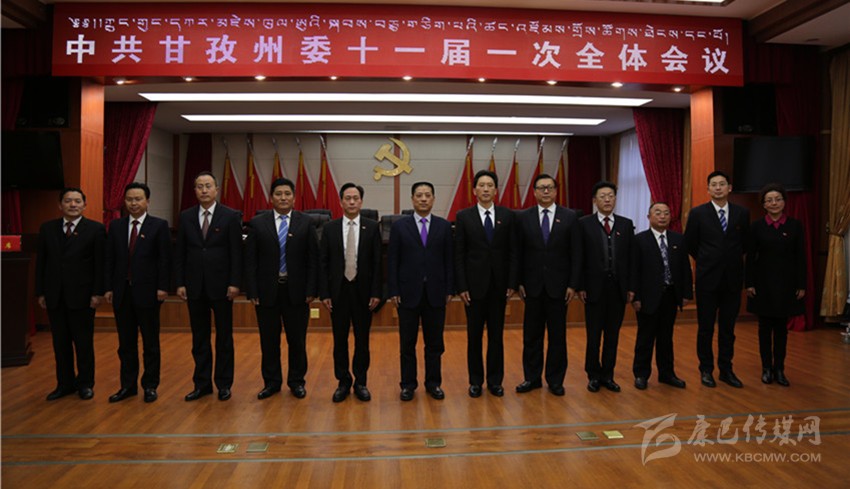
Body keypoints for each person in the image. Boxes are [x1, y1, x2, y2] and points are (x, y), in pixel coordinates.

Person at [244, 177, 318, 400]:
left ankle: (297, 382)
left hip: (297, 292)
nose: (283, 198)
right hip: (266, 292)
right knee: (269, 341)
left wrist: (311, 290)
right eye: (278, 194)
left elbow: (313, 259)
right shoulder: (257, 223)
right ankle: (271, 382)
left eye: (287, 194)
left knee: (297, 341)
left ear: (294, 198)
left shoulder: (306, 222)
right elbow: (250, 261)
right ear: (271, 198)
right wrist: (252, 291)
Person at [175, 171, 243, 401]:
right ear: (194, 190)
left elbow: (236, 252)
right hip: (194, 286)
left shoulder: (230, 216)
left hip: (222, 287)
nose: (204, 190)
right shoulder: (186, 216)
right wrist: (180, 282)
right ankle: (202, 384)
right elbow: (180, 252)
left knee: (224, 338)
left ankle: (224, 384)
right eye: (199, 186)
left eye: (208, 186)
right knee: (199, 338)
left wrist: (235, 282)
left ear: (216, 189)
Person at [514, 174, 582, 396]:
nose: (546, 191)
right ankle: (531, 378)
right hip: (531, 286)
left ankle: (555, 380)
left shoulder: (570, 217)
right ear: (534, 192)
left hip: (559, 287)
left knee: (557, 337)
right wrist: (518, 282)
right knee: (531, 336)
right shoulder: (523, 217)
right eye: (541, 188)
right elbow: (518, 253)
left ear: (555, 191)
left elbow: (576, 253)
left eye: (550, 187)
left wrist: (573, 284)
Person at [36, 187, 105, 401]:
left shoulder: (95, 229)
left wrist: (98, 293)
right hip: (55, 296)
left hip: (83, 297)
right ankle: (64, 384)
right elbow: (41, 263)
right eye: (68, 201)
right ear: (60, 205)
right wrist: (40, 292)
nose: (72, 205)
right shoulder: (47, 229)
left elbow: (100, 264)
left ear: (84, 205)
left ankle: (85, 384)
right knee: (60, 343)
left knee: (83, 344)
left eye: (77, 201)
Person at [104, 182, 171, 403]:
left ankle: (150, 385)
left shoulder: (159, 225)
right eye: (130, 199)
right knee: (126, 344)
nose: (134, 203)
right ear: (124, 202)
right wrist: (108, 287)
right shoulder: (116, 226)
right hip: (122, 292)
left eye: (138, 199)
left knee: (150, 343)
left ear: (147, 201)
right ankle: (128, 386)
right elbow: (109, 259)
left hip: (149, 293)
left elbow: (165, 259)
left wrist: (163, 287)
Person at [454, 170, 518, 398]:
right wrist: (462, 286)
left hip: (499, 287)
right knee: (474, 337)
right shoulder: (464, 216)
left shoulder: (507, 216)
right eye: (481, 185)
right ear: (474, 190)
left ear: (496, 190)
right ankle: (475, 381)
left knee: (496, 337)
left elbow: (513, 251)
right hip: (473, 289)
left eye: (490, 185)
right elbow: (459, 254)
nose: (486, 189)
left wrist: (512, 282)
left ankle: (495, 381)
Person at [388, 182, 453, 401]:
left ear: (433, 199)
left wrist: (450, 289)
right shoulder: (399, 227)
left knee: (435, 344)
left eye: (427, 195)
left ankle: (433, 383)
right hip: (407, 293)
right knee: (407, 344)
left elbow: (449, 261)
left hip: (436, 293)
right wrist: (394, 289)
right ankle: (408, 385)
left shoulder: (444, 226)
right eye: (419, 195)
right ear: (412, 199)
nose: (423, 199)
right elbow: (392, 261)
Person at [684, 170, 749, 388]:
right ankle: (706, 370)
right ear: (708, 189)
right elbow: (690, 243)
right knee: (705, 328)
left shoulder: (741, 213)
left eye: (722, 184)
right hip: (707, 279)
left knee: (728, 329)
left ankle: (726, 370)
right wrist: (707, 259)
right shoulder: (698, 213)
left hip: (732, 279)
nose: (718, 188)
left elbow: (745, 244)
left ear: (729, 188)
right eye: (714, 184)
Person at [319, 183, 382, 402]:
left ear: (361, 201)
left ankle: (361, 382)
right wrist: (325, 294)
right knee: (340, 340)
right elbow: (323, 263)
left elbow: (378, 262)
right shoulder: (330, 228)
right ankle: (343, 381)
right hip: (338, 292)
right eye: (348, 198)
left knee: (362, 340)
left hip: (364, 293)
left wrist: (376, 292)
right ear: (341, 202)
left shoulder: (372, 227)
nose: (352, 202)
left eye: (356, 198)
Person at [745, 183, 805, 387]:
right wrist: (749, 283)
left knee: (781, 329)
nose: (774, 203)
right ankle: (766, 368)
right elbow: (750, 257)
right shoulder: (756, 227)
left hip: (787, 284)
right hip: (762, 284)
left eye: (778, 199)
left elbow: (800, 257)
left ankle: (779, 369)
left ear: (784, 202)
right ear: (763, 204)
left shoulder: (795, 225)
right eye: (769, 200)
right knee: (764, 328)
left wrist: (801, 284)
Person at [577, 181, 634, 393]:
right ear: (595, 200)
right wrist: (580, 285)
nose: (607, 199)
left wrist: (631, 287)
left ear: (615, 199)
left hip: (618, 289)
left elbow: (631, 259)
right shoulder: (584, 224)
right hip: (593, 289)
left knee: (613, 335)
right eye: (603, 196)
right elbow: (579, 257)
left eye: (611, 196)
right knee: (593, 336)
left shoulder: (626, 224)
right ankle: (593, 375)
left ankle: (608, 375)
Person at [631, 202, 693, 390]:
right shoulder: (639, 240)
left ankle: (667, 374)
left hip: (671, 295)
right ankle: (641, 374)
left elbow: (685, 268)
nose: (662, 216)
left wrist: (686, 293)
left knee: (666, 337)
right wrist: (636, 297)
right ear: (648, 217)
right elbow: (634, 270)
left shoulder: (678, 239)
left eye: (666, 213)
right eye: (657, 213)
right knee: (645, 337)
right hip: (647, 297)